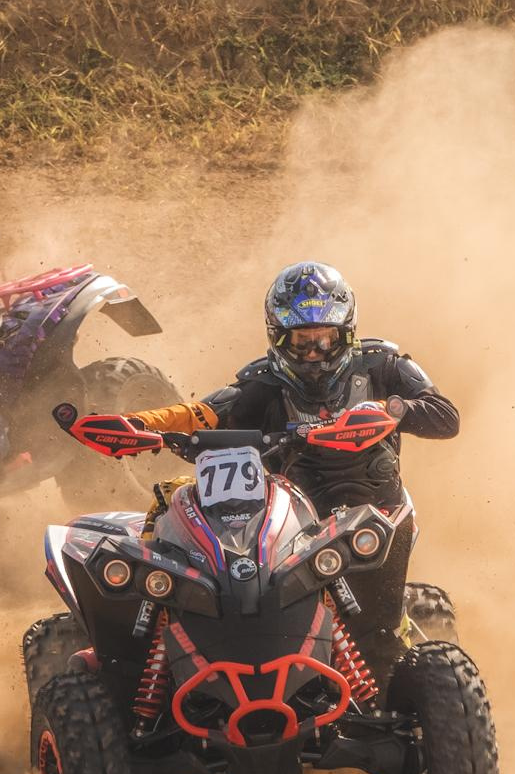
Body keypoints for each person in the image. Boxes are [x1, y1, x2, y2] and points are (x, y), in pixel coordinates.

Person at [119, 261, 459, 670]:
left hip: (381, 513)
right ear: (278, 338)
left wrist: (393, 410)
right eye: (302, 342)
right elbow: (202, 415)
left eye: (325, 340)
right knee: (176, 500)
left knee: (380, 639)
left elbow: (446, 418)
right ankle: (151, 639)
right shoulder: (262, 385)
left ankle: (406, 655)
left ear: (346, 333)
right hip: (295, 528)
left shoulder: (384, 364)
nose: (314, 353)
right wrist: (138, 425)